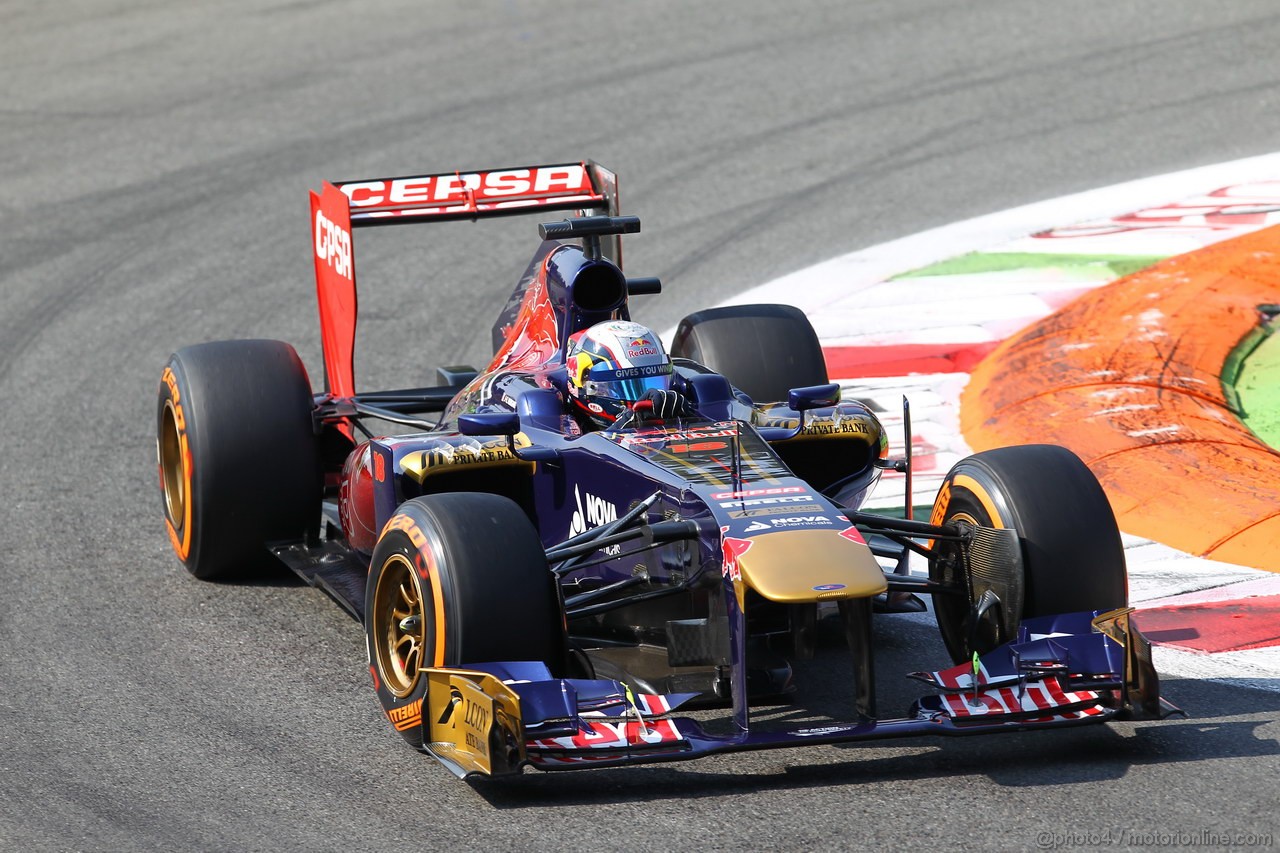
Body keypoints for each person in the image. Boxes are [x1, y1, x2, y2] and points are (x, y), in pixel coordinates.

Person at [565, 320, 692, 429]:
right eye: (625, 387)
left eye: (656, 380)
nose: (651, 400)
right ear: (584, 382)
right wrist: (626, 425)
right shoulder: (560, 421)